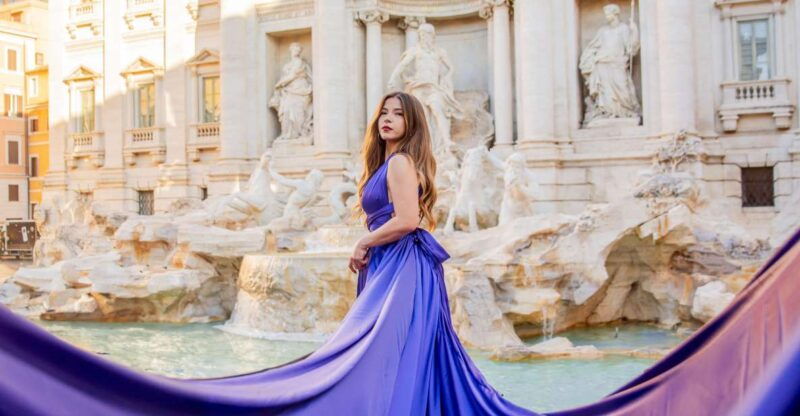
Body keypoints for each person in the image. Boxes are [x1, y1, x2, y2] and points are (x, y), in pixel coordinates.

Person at [0, 91, 536, 415]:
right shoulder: (387, 161)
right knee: (392, 352)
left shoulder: (399, 164)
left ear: (413, 123)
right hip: (397, 265)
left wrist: (363, 241)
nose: (388, 119)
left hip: (403, 266)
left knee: (379, 353)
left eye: (398, 114)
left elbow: (409, 220)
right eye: (384, 112)